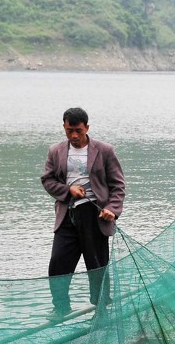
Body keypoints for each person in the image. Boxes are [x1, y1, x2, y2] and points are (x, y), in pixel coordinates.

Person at [41, 107, 126, 316]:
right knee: (58, 263)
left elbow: (118, 186)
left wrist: (112, 210)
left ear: (87, 127)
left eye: (78, 130)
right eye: (70, 130)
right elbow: (48, 180)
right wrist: (67, 190)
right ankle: (60, 308)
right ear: (64, 127)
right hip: (67, 215)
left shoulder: (104, 150)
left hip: (95, 216)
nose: (74, 135)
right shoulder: (56, 151)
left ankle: (101, 310)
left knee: (97, 267)